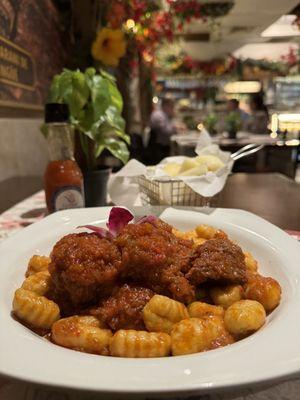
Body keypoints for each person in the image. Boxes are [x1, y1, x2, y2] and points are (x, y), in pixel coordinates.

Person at [147, 98, 177, 164]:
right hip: (157, 149)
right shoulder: (158, 115)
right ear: (166, 105)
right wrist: (176, 128)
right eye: (172, 106)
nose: (173, 109)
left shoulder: (164, 115)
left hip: (161, 147)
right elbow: (166, 131)